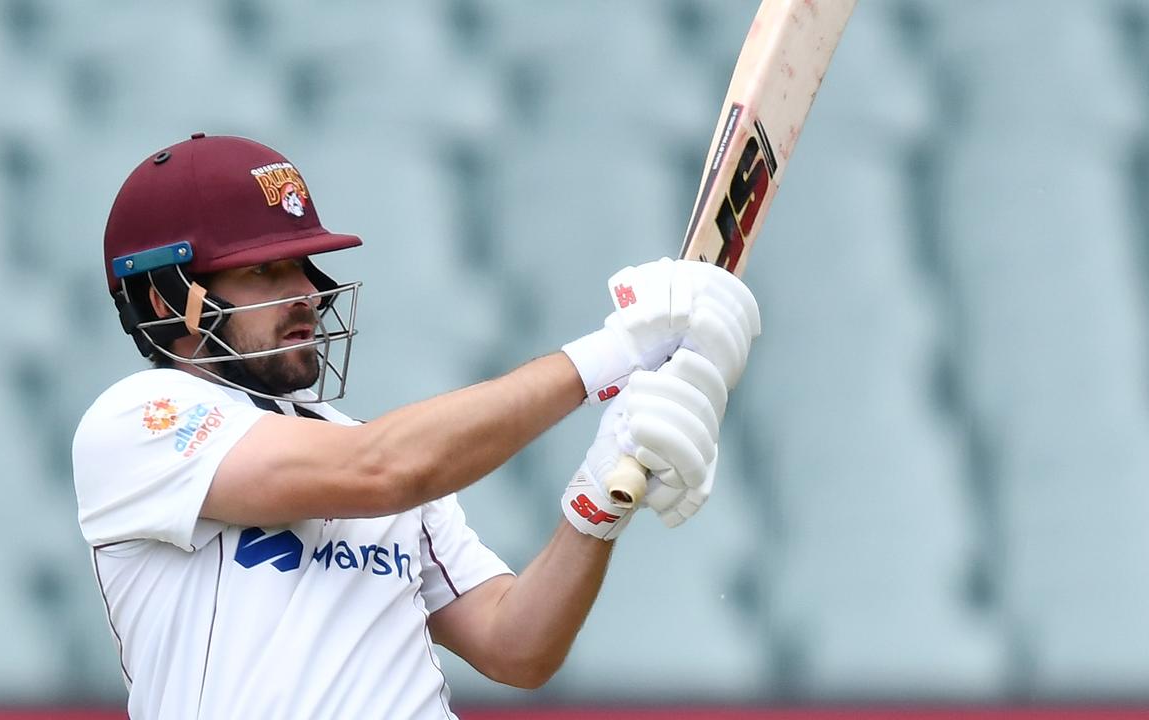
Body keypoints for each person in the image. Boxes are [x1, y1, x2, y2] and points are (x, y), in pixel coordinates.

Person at [72, 134, 761, 720]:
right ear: (166, 296)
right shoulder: (137, 424)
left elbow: (513, 646)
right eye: (265, 271)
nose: (309, 291)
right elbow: (381, 471)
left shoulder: (357, 442)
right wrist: (615, 353)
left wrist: (595, 503)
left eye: (306, 265)